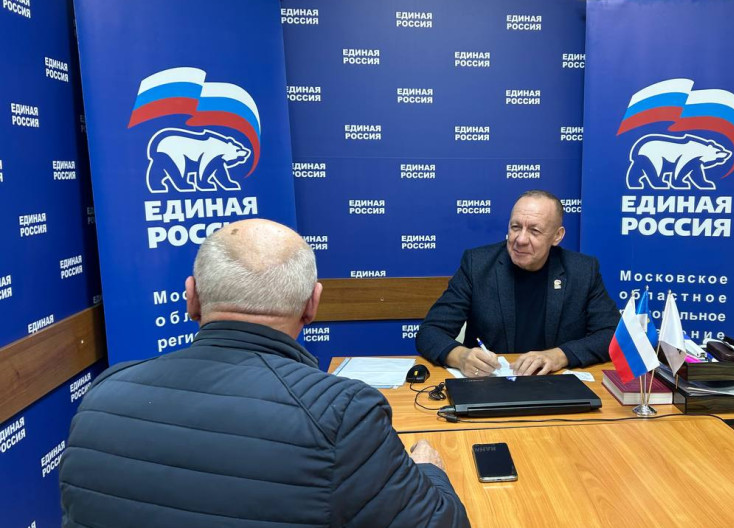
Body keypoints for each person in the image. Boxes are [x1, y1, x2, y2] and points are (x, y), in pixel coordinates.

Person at [60, 219, 470, 528]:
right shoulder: (343, 415)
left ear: (191, 297)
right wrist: (429, 471)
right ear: (312, 305)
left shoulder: (101, 398)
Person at [416, 190, 620, 377]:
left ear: (557, 236)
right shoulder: (477, 265)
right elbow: (430, 332)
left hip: (555, 383)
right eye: (515, 227)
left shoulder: (582, 270)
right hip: (490, 385)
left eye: (534, 231)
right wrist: (460, 356)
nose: (520, 239)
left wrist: (558, 356)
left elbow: (613, 335)